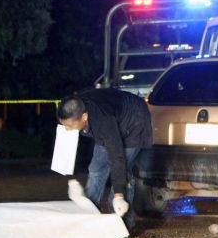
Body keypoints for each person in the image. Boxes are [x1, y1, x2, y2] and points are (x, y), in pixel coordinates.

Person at [57, 88, 152, 230]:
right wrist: (71, 180)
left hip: (134, 121)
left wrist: (119, 196)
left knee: (121, 171)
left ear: (84, 117)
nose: (67, 129)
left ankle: (122, 221)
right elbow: (65, 146)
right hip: (111, 114)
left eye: (70, 126)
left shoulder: (103, 122)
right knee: (96, 169)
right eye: (64, 125)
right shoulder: (69, 111)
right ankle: (88, 211)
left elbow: (117, 157)